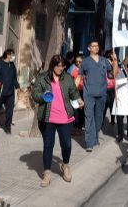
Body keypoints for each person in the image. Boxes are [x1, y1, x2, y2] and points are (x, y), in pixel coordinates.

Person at [32, 54, 83, 187]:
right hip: (48, 118)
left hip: (65, 117)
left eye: (63, 66)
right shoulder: (42, 78)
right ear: (52, 65)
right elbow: (34, 94)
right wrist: (43, 96)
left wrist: (78, 99)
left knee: (66, 144)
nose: (61, 68)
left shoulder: (67, 78)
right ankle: (47, 173)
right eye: (58, 65)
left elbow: (74, 92)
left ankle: (65, 165)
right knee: (48, 145)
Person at [79, 40, 117, 152]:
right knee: (89, 117)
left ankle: (95, 138)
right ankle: (89, 143)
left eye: (97, 46)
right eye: (93, 46)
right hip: (89, 94)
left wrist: (114, 60)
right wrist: (75, 95)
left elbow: (113, 74)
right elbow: (78, 77)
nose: (96, 47)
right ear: (89, 48)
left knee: (99, 118)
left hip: (102, 94)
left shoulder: (104, 61)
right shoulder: (85, 62)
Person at [0, 49, 20, 134]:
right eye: (11, 54)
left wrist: (17, 87)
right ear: (7, 55)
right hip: (0, 92)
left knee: (10, 111)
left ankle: (8, 127)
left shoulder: (12, 65)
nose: (13, 56)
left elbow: (14, 78)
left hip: (10, 93)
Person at [113, 57, 128, 144]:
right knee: (119, 118)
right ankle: (120, 136)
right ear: (124, 62)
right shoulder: (120, 71)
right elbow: (116, 82)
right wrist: (127, 79)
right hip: (121, 98)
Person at [104, 49, 117, 126]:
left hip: (112, 87)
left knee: (112, 104)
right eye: (113, 54)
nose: (114, 55)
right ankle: (102, 120)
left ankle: (112, 120)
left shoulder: (113, 62)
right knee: (105, 104)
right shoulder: (106, 62)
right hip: (106, 87)